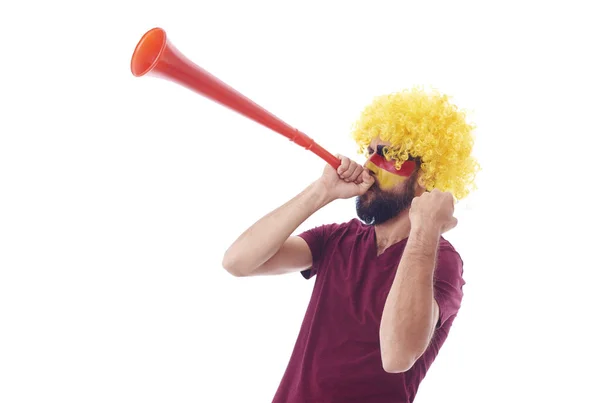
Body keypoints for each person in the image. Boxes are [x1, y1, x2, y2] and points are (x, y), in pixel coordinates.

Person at [222, 88, 479, 402]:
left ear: (425, 176)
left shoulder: (440, 259)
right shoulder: (337, 239)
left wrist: (426, 229)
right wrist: (322, 191)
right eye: (369, 151)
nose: (369, 165)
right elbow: (238, 261)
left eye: (387, 155)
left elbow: (397, 355)